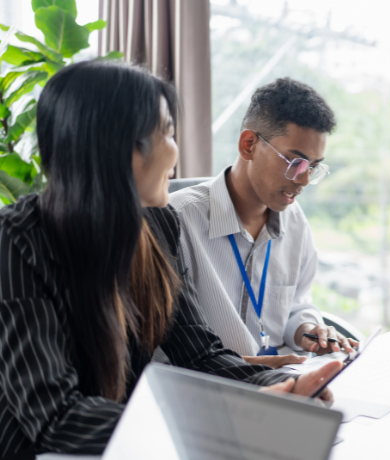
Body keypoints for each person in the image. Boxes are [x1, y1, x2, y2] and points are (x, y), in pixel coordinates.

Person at [0, 61, 340, 457]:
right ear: (120, 146)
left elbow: (198, 353)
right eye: (167, 133)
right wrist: (214, 421)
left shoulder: (156, 225)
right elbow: (54, 418)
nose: (175, 153)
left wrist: (277, 388)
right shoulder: (17, 241)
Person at [164, 77, 357, 369]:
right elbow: (164, 347)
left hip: (281, 382)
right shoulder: (177, 220)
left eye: (314, 167)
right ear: (249, 144)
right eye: (296, 163)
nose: (304, 180)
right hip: (210, 386)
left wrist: (307, 331)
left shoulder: (295, 223)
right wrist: (253, 369)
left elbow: (295, 305)